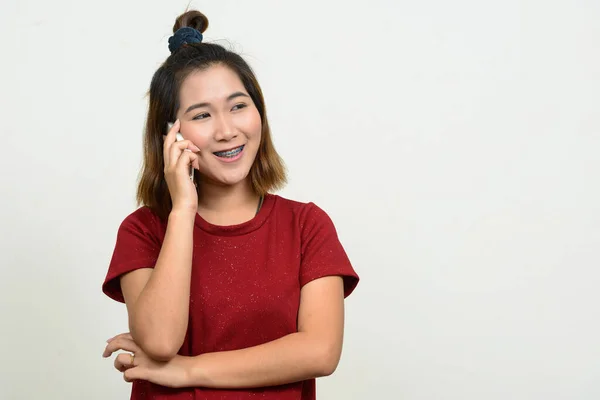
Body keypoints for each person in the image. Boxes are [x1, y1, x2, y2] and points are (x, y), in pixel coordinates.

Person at [101, 9, 359, 400]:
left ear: (259, 113)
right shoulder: (143, 230)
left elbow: (320, 352)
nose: (226, 131)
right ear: (170, 134)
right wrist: (183, 209)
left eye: (238, 106)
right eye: (201, 115)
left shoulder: (306, 225)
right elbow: (158, 342)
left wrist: (189, 369)